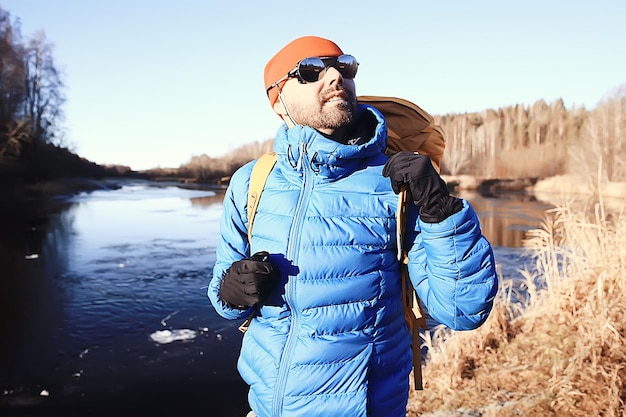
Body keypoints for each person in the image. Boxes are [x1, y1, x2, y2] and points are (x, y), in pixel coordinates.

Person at [208, 36, 498, 417]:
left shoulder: (397, 182)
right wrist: (232, 292)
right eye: (310, 71)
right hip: (266, 407)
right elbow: (222, 300)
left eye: (344, 67)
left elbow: (463, 310)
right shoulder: (252, 181)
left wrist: (441, 209)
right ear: (278, 103)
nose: (334, 76)